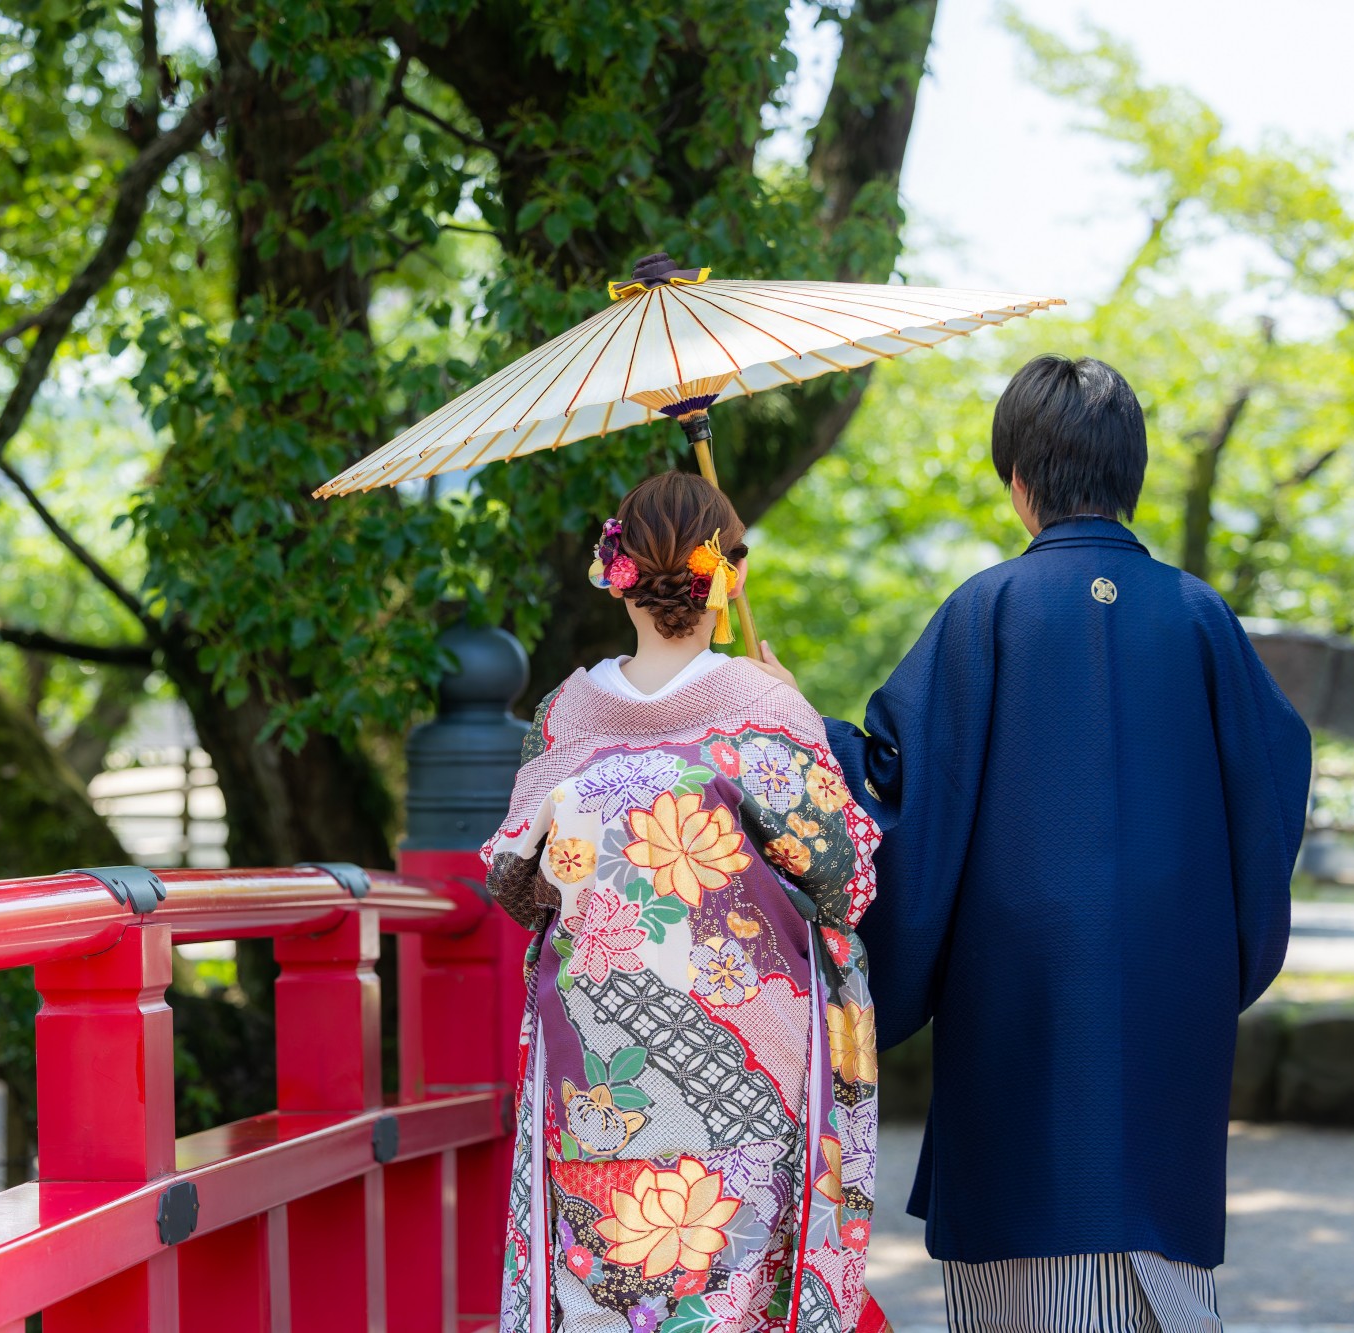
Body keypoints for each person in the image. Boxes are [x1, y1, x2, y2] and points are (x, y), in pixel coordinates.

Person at [823, 354, 1312, 1332]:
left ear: (1018, 478)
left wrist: (802, 728)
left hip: (1018, 995)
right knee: (1158, 1262)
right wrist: (1217, 954)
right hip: (1171, 994)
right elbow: (1270, 784)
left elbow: (895, 792)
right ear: (1127, 475)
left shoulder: (984, 610)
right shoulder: (1199, 616)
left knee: (1028, 1254)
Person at [483, 470, 892, 1333]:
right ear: (728, 575)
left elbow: (519, 883)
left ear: (613, 571)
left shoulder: (565, 717)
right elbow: (847, 877)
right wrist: (797, 716)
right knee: (732, 1301)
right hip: (745, 1083)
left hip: (598, 1086)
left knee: (609, 1293)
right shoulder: (762, 708)